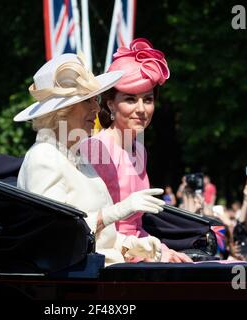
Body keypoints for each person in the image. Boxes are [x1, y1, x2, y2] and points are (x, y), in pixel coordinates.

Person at [14, 53, 166, 266]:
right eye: (88, 101)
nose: (96, 108)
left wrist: (131, 245)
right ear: (62, 111)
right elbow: (57, 233)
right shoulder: (43, 157)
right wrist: (115, 212)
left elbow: (103, 238)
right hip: (72, 284)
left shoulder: (78, 157)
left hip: (102, 271)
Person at [80, 38, 191, 263]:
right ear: (110, 104)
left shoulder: (140, 151)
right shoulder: (96, 149)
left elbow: (136, 227)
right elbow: (90, 226)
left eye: (148, 100)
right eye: (130, 99)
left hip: (139, 251)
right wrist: (149, 252)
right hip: (109, 258)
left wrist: (164, 251)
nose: (141, 109)